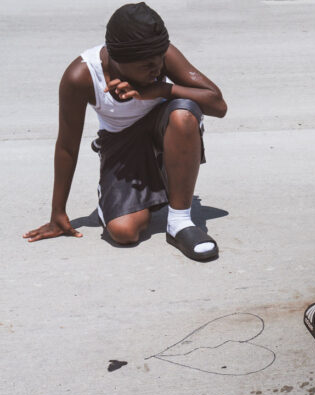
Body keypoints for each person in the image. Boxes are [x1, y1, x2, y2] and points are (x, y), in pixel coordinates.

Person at [23, 2, 227, 261]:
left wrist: (159, 90)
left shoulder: (159, 55)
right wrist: (57, 213)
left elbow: (218, 105)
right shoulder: (81, 76)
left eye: (159, 61)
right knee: (124, 232)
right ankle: (115, 196)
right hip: (121, 147)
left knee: (184, 113)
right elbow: (66, 145)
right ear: (117, 59)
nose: (156, 70)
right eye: (146, 66)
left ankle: (180, 222)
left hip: (164, 135)